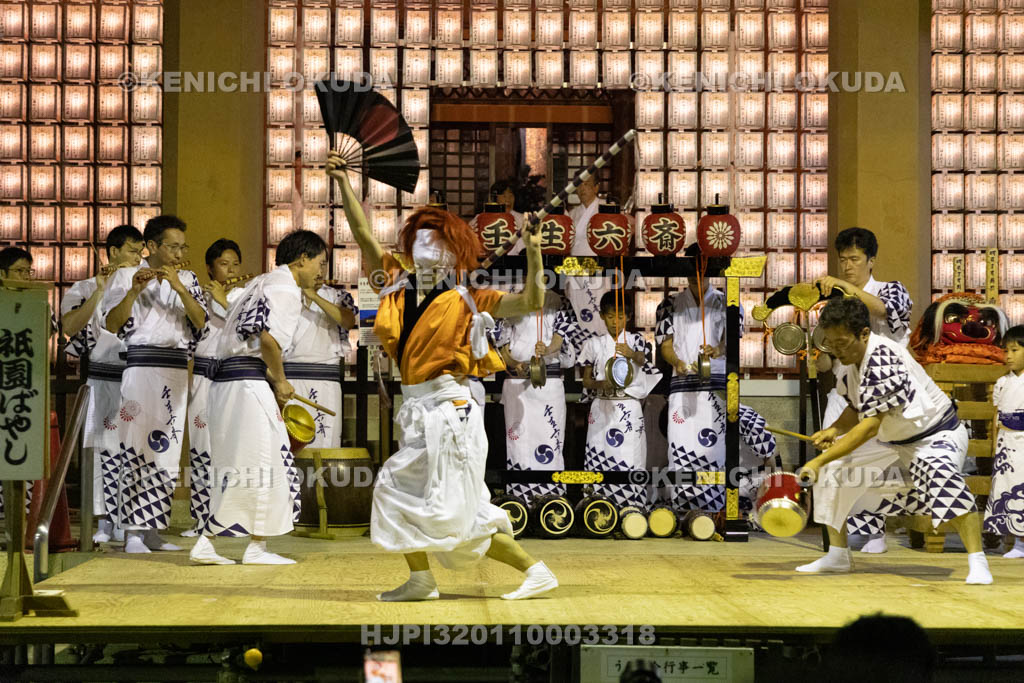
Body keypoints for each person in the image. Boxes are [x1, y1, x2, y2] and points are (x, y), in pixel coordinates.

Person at [328, 150, 558, 602]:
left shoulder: (471, 298)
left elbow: (531, 302)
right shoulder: (392, 281)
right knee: (400, 493)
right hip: (415, 409)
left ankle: (535, 571)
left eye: (436, 243)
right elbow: (360, 233)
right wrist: (342, 183)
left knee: (451, 510)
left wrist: (533, 252)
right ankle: (421, 578)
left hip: (450, 411)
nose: (426, 249)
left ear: (454, 251)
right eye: (420, 240)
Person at [798, 298, 992, 585]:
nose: (837, 351)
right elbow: (856, 407)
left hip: (935, 434)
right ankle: (838, 554)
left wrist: (816, 460)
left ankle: (979, 562)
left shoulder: (883, 357)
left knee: (943, 478)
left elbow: (869, 426)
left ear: (864, 333)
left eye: (842, 343)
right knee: (832, 471)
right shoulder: (853, 361)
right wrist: (834, 430)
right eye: (831, 344)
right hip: (893, 438)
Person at [190, 230, 328, 565]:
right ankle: (252, 547)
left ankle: (213, 542)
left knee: (240, 465)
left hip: (227, 383)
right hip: (246, 384)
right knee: (267, 461)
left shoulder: (261, 283)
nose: (320, 271)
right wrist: (280, 381)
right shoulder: (285, 289)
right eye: (319, 263)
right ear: (302, 259)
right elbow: (268, 340)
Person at [102, 215, 207, 554]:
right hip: (142, 366)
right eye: (172, 247)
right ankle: (132, 531)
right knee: (136, 445)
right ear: (154, 247)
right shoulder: (125, 275)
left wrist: (177, 286)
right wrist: (134, 290)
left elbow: (201, 320)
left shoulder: (187, 278)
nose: (179, 253)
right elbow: (112, 323)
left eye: (182, 247)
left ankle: (152, 530)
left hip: (176, 368)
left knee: (167, 449)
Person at [815, 227, 914, 553]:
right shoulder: (834, 302)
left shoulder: (892, 289)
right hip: (845, 389)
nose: (847, 266)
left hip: (887, 392)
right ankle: (838, 539)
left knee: (877, 464)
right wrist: (816, 355)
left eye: (854, 259)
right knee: (831, 457)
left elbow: (886, 312)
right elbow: (827, 362)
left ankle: (874, 532)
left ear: (871, 261)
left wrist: (843, 287)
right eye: (842, 260)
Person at [61, 225, 145, 543]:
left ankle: (131, 519)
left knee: (134, 451)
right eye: (132, 251)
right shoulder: (83, 287)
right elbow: (69, 327)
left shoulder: (143, 286)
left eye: (141, 253)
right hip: (102, 376)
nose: (138, 258)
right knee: (103, 452)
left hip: (136, 378)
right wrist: (99, 289)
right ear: (113, 252)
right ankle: (104, 522)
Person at [656, 243, 731, 513]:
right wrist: (678, 362)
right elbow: (665, 345)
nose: (695, 278)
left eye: (700, 272)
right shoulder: (669, 304)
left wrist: (718, 349)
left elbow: (731, 342)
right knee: (681, 448)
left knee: (713, 449)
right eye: (690, 273)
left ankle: (714, 510)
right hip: (682, 387)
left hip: (716, 388)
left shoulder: (727, 301)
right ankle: (682, 509)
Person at [182, 239, 246, 537]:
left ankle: (232, 516)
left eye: (235, 264)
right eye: (224, 264)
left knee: (231, 447)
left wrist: (225, 299)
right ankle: (202, 518)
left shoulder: (245, 296)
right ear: (210, 268)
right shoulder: (198, 295)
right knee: (201, 447)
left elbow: (248, 329)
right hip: (205, 377)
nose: (231, 270)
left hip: (233, 378)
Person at [579, 291, 662, 509]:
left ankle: (632, 507)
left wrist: (631, 353)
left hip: (629, 405)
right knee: (599, 453)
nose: (616, 322)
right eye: (610, 317)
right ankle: (597, 506)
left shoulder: (637, 341)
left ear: (629, 316)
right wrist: (600, 384)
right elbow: (586, 381)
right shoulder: (593, 344)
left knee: (630, 455)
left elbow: (645, 361)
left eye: (621, 316)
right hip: (602, 405)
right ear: (602, 316)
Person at [495, 290, 580, 502]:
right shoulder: (510, 299)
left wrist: (548, 348)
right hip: (517, 383)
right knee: (518, 441)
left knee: (551, 439)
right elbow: (501, 342)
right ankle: (519, 498)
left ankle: (551, 498)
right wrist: (515, 363)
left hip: (548, 381)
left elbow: (563, 336)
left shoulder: (559, 300)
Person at [281, 276, 357, 449]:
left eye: (323, 263)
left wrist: (314, 296)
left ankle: (324, 477)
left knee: (325, 445)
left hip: (325, 380)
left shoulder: (335, 295)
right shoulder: (285, 293)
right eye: (317, 262)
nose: (320, 269)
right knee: (291, 443)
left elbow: (348, 321)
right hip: (291, 381)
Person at [984, 324, 1024, 559]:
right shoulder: (1003, 381)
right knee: (1007, 489)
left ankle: (1021, 543)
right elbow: (996, 414)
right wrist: (993, 443)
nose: (1008, 356)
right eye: (1006, 351)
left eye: (1015, 350)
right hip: (1005, 445)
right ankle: (1013, 541)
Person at [568, 174, 600, 257]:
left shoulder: (605, 208)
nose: (582, 189)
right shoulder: (572, 213)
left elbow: (632, 223)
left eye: (586, 184)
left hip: (598, 262)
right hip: (575, 263)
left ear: (596, 187)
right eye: (579, 185)